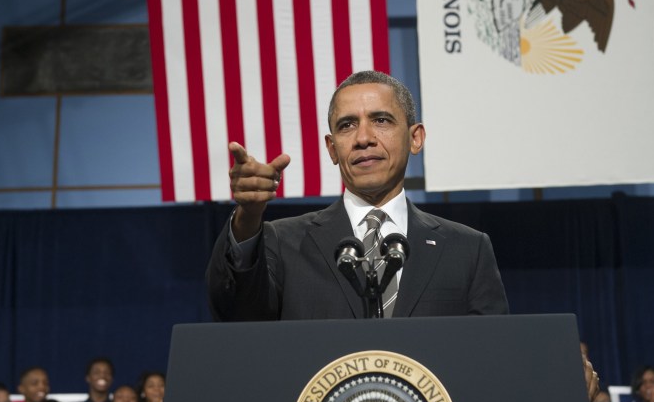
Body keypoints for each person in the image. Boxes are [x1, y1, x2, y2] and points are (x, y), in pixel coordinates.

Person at [206, 70, 509, 320]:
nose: (363, 138)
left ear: (415, 138)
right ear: (332, 148)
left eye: (381, 120)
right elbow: (235, 313)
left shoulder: (467, 249)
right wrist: (248, 218)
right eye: (347, 125)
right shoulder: (283, 244)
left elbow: (492, 358)